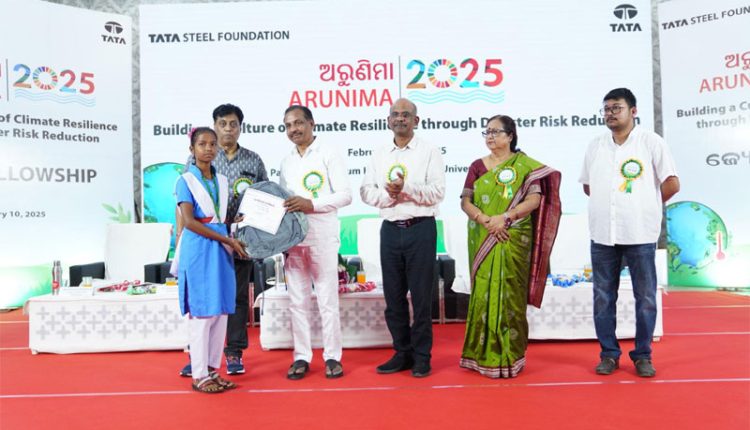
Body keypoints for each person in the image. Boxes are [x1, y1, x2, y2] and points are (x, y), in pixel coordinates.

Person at [580, 88, 679, 378]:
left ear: (633, 111)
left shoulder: (651, 142)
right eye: (606, 109)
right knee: (603, 297)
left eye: (617, 108)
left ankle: (643, 355)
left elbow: (672, 183)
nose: (610, 113)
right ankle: (609, 354)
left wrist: (646, 204)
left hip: (640, 234)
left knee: (645, 297)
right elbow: (588, 186)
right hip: (603, 235)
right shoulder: (595, 145)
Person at [458, 115, 561, 378]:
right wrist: (485, 220)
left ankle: (510, 356)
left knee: (511, 295)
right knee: (483, 294)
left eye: (496, 131)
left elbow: (535, 200)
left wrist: (506, 217)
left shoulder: (525, 165)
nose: (490, 136)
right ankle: (480, 356)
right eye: (487, 132)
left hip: (514, 236)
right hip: (484, 235)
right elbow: (466, 201)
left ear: (510, 135)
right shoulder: (477, 166)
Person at [179, 104, 268, 377]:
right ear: (214, 126)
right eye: (222, 124)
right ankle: (199, 357)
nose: (228, 129)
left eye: (233, 124)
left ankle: (233, 352)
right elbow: (184, 208)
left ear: (240, 127)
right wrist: (180, 241)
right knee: (203, 299)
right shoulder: (195, 164)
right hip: (204, 240)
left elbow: (265, 196)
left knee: (236, 297)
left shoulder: (253, 160)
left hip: (240, 238)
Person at [360, 98, 445, 378]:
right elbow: (366, 191)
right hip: (390, 229)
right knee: (393, 297)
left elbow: (438, 192)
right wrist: (390, 196)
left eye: (406, 114)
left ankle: (422, 356)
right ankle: (402, 352)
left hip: (421, 229)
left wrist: (405, 189)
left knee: (421, 298)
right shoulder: (379, 153)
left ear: (416, 120)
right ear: (388, 120)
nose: (400, 118)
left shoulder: (429, 151)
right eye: (395, 114)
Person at [174, 127, 249, 393]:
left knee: (220, 312)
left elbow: (220, 217)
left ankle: (212, 371)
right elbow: (190, 221)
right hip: (199, 248)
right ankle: (199, 375)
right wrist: (227, 239)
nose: (208, 148)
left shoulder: (223, 181)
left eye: (212, 144)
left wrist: (235, 226)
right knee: (202, 312)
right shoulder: (185, 180)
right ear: (192, 149)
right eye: (202, 144)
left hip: (221, 247)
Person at [279, 105, 352, 380]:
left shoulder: (328, 153)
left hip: (322, 238)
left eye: (298, 123)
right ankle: (301, 356)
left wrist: (311, 204)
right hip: (293, 241)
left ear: (312, 123)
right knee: (297, 302)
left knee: (327, 300)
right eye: (288, 125)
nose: (294, 129)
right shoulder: (286, 161)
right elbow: (283, 202)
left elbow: (345, 195)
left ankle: (333, 356)